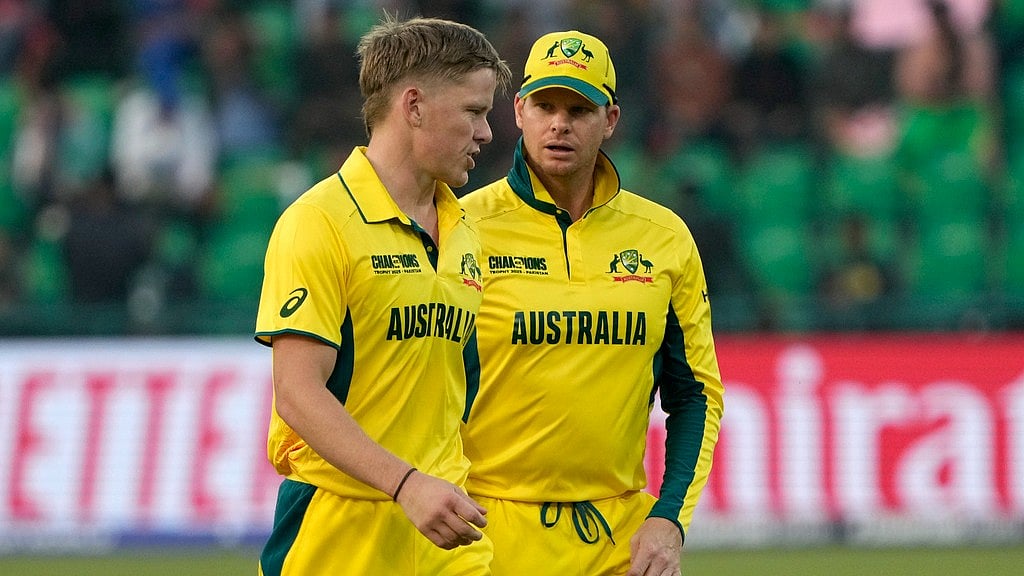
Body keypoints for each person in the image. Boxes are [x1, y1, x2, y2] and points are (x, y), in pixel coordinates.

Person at [460, 30, 725, 576]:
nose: (560, 123)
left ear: (610, 120)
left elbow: (695, 393)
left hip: (618, 543)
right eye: (546, 106)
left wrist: (669, 518)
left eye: (580, 109)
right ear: (519, 111)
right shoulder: (461, 228)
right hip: (484, 534)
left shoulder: (664, 238)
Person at [253, 16, 511, 576]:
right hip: (337, 535)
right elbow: (297, 395)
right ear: (413, 106)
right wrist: (405, 484)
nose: (488, 132)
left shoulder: (464, 230)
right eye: (474, 111)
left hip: (446, 537)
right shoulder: (318, 223)